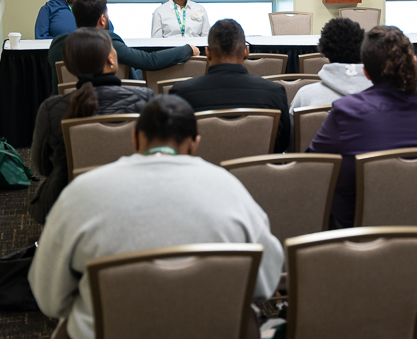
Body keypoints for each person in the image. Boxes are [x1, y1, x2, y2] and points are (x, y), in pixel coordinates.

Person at [28, 96, 284, 339]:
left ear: (135, 138)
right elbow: (266, 282)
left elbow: (49, 297)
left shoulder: (81, 191)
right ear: (194, 143)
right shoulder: (230, 188)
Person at [307, 26, 417, 228]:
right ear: (413, 61)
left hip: (361, 236)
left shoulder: (347, 111)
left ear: (365, 72)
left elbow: (314, 169)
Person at [30, 28, 155, 224]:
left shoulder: (51, 108)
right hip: (135, 199)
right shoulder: (146, 99)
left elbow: (42, 167)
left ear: (71, 68)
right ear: (112, 60)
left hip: (68, 206)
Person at [170, 19, 290, 152]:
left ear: (208, 53)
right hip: (258, 172)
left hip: (202, 172)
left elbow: (175, 143)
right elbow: (283, 143)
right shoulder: (274, 92)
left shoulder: (181, 94)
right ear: (246, 52)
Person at [48, 0, 200, 95]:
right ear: (102, 19)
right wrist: (187, 49)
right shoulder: (106, 40)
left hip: (69, 106)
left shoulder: (57, 44)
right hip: (112, 101)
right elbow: (149, 61)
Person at [289, 17, 372, 113]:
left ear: (325, 54)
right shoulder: (388, 96)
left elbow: (292, 127)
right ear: (363, 49)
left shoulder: (305, 96)